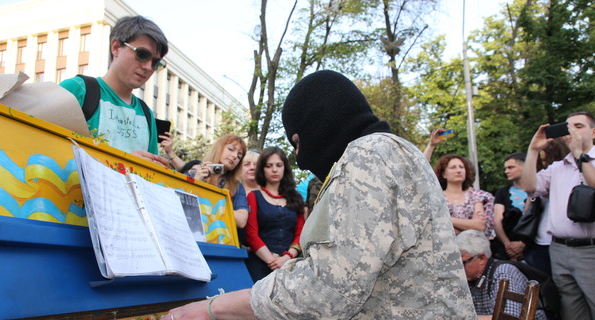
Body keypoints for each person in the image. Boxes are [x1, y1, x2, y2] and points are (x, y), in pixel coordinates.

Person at [166, 70, 476, 319]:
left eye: (296, 144)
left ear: (311, 129)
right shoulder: (399, 152)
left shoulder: (366, 157)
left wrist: (211, 309)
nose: (299, 158)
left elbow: (329, 291)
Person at [60, 16, 168, 165]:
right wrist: (123, 164)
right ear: (116, 47)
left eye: (156, 63)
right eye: (142, 55)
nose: (148, 67)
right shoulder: (78, 90)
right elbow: (44, 151)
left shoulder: (146, 114)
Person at [521, 111, 595, 319]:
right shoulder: (558, 167)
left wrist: (581, 155)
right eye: (567, 127)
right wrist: (533, 150)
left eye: (579, 126)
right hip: (559, 249)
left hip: (590, 249)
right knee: (572, 312)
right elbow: (529, 186)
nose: (571, 131)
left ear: (594, 132)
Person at [456, 230, 547, 320]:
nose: (459, 269)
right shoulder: (471, 278)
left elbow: (510, 317)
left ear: (481, 258)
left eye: (462, 263)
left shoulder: (504, 273)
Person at [245, 147, 305, 282]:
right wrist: (272, 260)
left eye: (279, 165)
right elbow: (251, 234)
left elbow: (300, 233)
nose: (274, 170)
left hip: (290, 265)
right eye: (269, 166)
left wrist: (287, 258)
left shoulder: (296, 198)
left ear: (285, 168)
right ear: (262, 169)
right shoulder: (253, 197)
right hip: (259, 265)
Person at [523, 138, 570, 276]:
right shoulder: (541, 177)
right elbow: (526, 208)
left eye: (548, 159)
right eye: (542, 160)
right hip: (540, 239)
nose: (545, 164)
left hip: (562, 240)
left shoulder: (570, 172)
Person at [434, 154, 495, 238]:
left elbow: (479, 226)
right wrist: (469, 225)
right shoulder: (436, 198)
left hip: (474, 247)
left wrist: (447, 219)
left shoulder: (475, 196)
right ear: (444, 174)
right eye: (453, 167)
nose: (459, 170)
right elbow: (436, 227)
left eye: (461, 167)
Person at [492, 152, 528, 261]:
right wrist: (508, 245)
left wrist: (524, 244)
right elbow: (497, 220)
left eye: (511, 167)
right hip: (507, 247)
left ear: (525, 166)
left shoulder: (539, 189)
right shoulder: (502, 192)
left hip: (534, 247)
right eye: (506, 168)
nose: (506, 171)